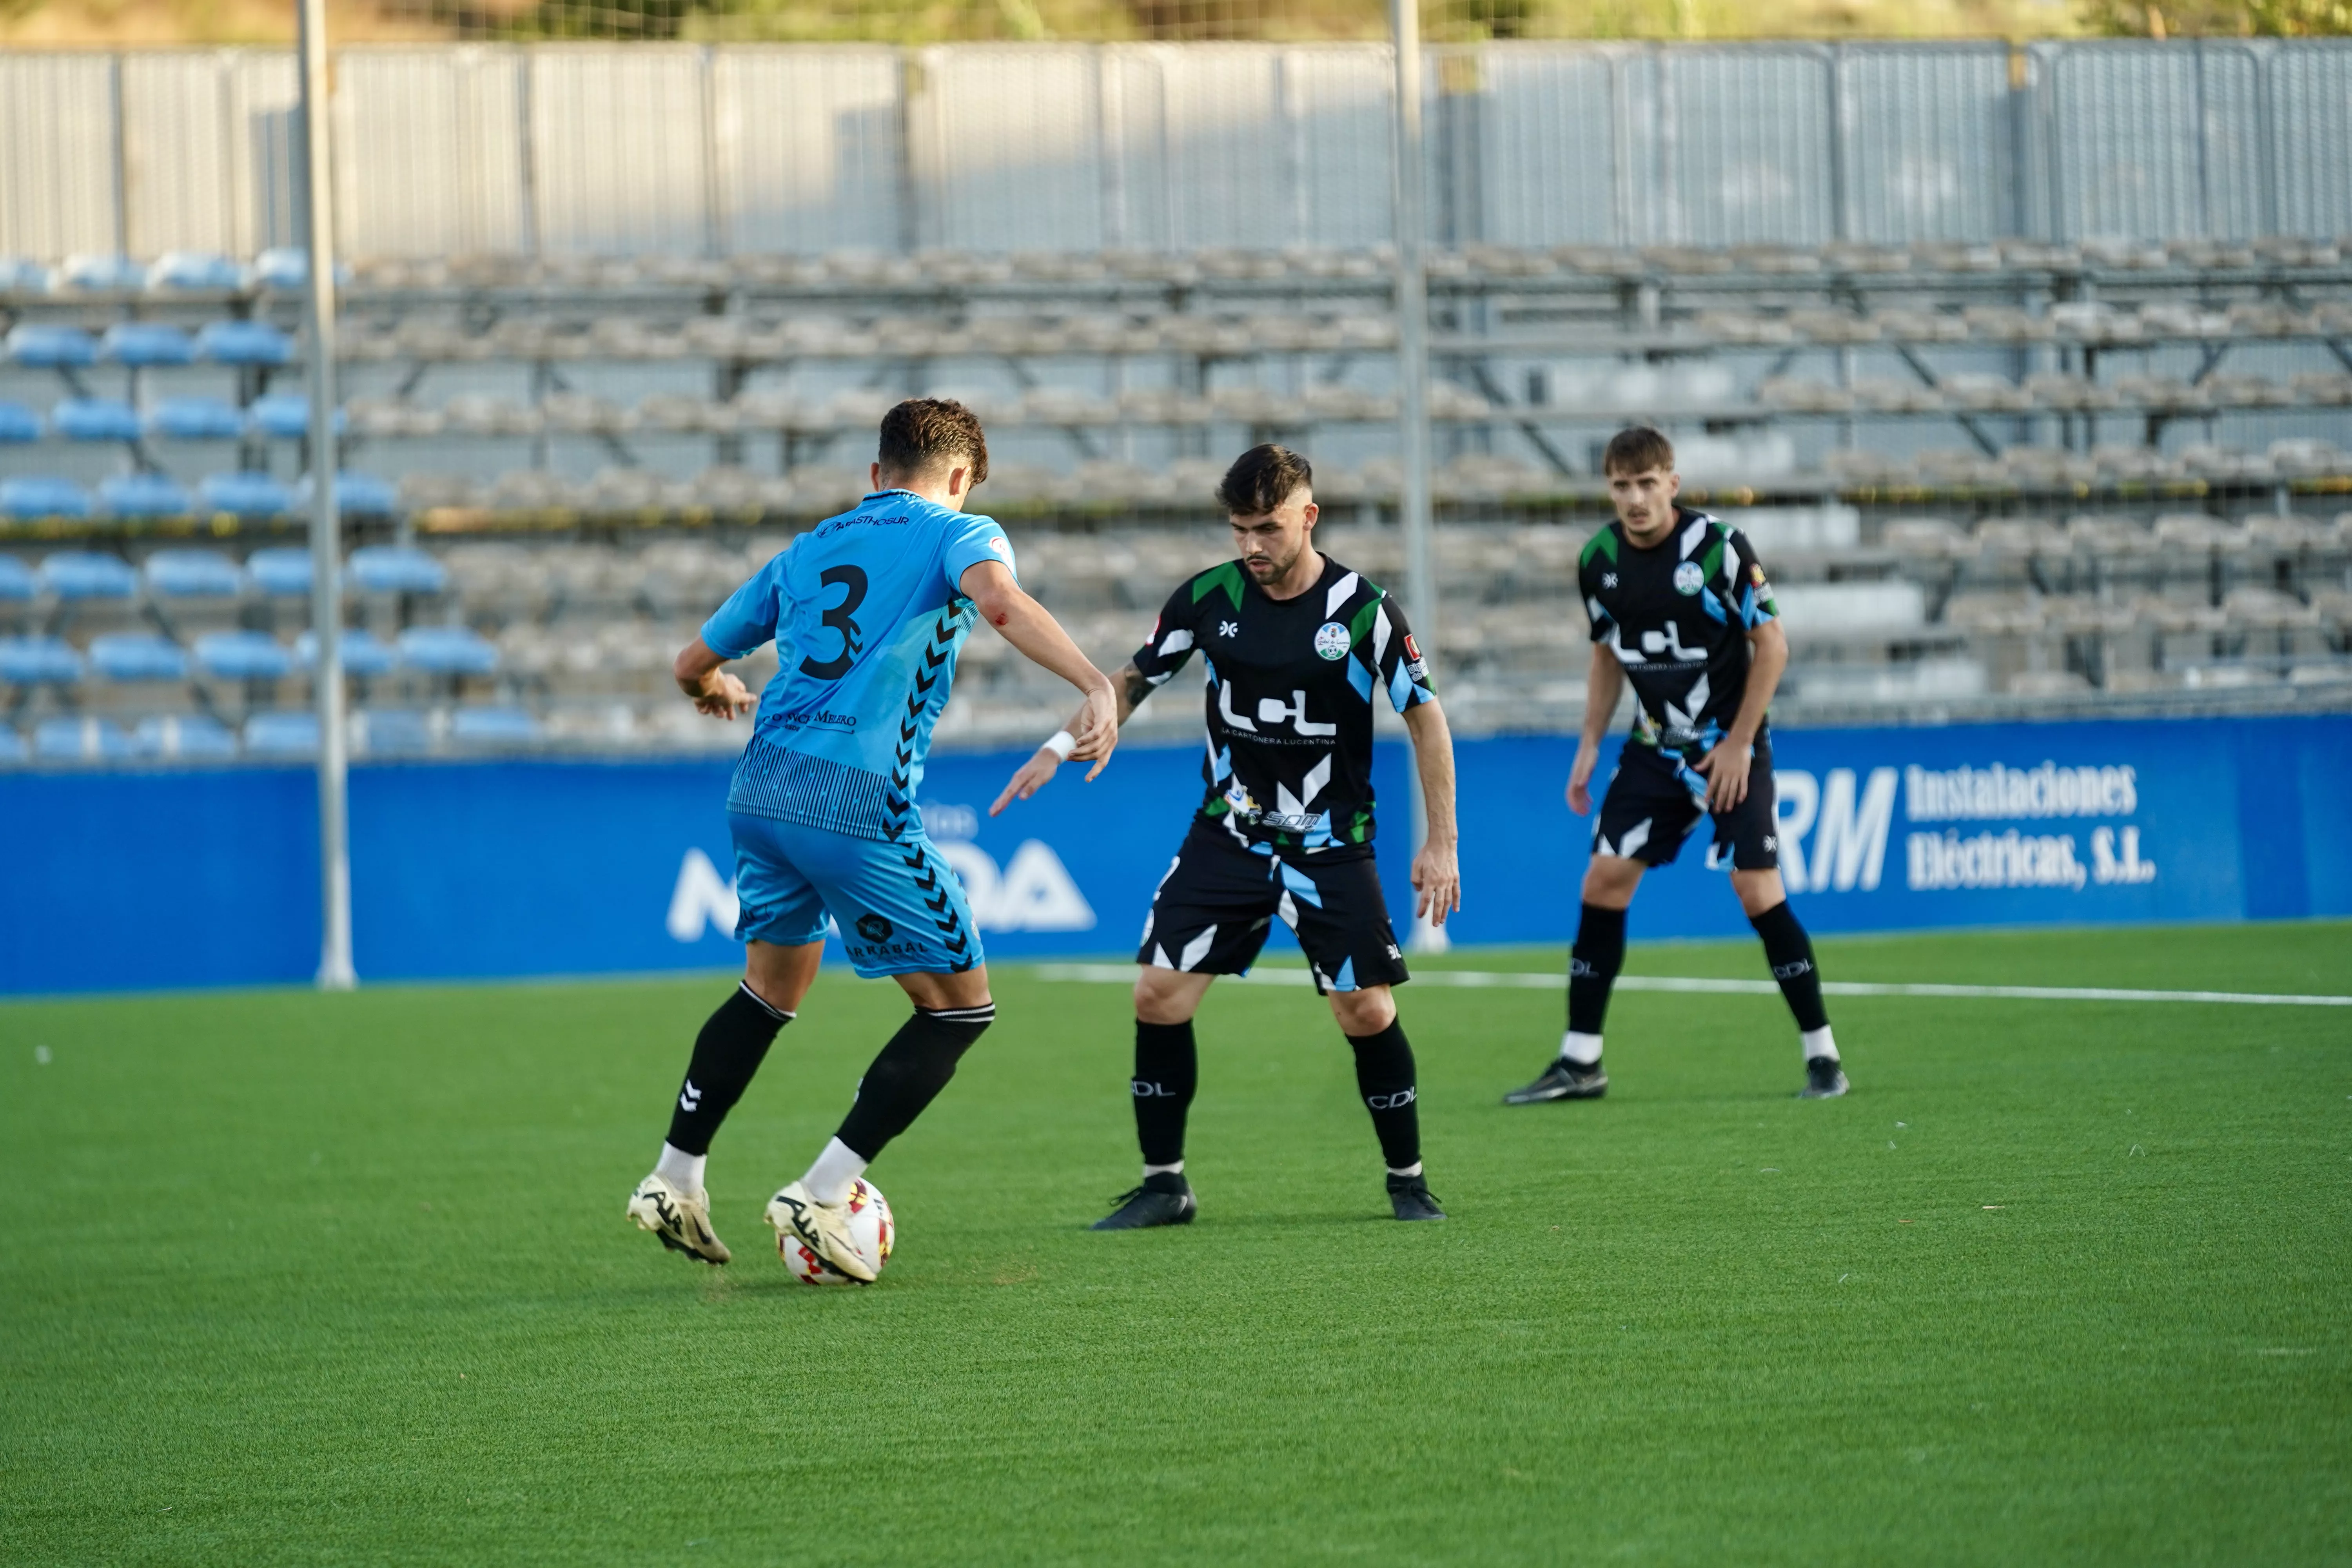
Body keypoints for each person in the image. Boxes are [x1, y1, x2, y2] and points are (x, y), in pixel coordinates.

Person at [626, 398, 1119, 1279]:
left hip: (761, 785)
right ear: (961, 479)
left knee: (771, 990)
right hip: (854, 798)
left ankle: (675, 1174)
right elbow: (1000, 604)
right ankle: (822, 1189)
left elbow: (687, 665)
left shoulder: (807, 549)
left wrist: (719, 692)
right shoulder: (957, 533)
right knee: (961, 1007)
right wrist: (1094, 682)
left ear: (874, 473)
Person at [992, 444, 1462, 1227]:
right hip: (1231, 833)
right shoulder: (1209, 596)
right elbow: (1133, 678)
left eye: (1268, 529)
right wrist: (1057, 746)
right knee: (1158, 993)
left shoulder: (1363, 610)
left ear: (1308, 517)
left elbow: (1426, 715)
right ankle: (1164, 1183)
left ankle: (1407, 1179)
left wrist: (1441, 840)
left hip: (1328, 840)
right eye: (1240, 529)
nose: (1252, 547)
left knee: (1364, 1010)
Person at [1503, 426, 1849, 1106]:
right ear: (1610, 488)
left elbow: (1771, 645)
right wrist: (1588, 745)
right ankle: (1581, 1061)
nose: (1635, 499)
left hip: (1728, 744)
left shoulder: (1717, 549)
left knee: (1757, 889)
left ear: (1673, 484)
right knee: (1603, 881)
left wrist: (1742, 744)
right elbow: (1607, 655)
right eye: (1621, 486)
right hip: (1656, 747)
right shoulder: (1599, 559)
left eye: (1647, 484)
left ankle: (1823, 1055)